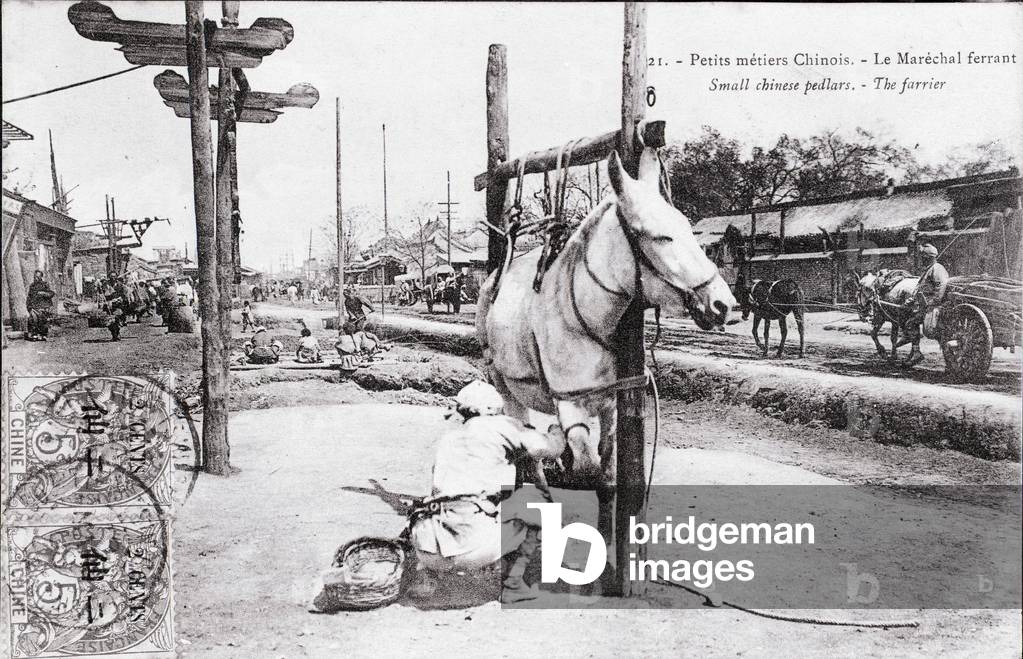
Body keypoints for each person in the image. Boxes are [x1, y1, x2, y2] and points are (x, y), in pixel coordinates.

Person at [405, 381, 566, 604]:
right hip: (474, 546)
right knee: (542, 507)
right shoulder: (502, 425)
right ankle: (515, 586)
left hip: (427, 545)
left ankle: (427, 577)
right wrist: (557, 430)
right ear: (494, 409)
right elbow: (548, 449)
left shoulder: (450, 438)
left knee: (445, 506)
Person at [903, 243, 950, 366]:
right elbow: (920, 288)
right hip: (925, 305)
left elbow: (941, 286)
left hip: (934, 307)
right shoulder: (929, 269)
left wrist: (932, 303)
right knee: (910, 322)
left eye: (924, 258)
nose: (922, 260)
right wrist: (912, 299)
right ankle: (915, 352)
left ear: (928, 258)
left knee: (911, 324)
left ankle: (916, 353)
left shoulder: (937, 269)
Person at [26, 270, 56, 341]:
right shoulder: (32, 285)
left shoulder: (45, 284)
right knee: (32, 320)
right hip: (34, 306)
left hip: (43, 306)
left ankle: (43, 335)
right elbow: (29, 296)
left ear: (41, 277)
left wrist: (43, 293)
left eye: (37, 277)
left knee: (43, 320)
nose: (36, 278)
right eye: (35, 277)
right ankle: (34, 335)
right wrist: (29, 306)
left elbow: (51, 293)